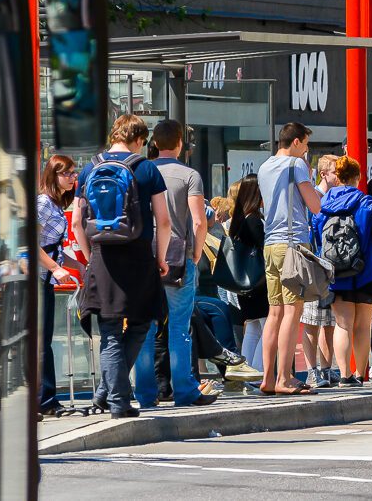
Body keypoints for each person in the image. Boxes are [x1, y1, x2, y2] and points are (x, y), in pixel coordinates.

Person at [72, 115, 171, 418]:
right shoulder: (146, 168)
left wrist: (91, 258)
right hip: (139, 255)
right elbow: (163, 221)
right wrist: (161, 257)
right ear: (140, 139)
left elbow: (76, 222)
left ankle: (107, 392)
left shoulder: (90, 168)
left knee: (110, 331)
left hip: (102, 257)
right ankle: (117, 401)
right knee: (142, 323)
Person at [134, 119, 218, 408]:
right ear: (180, 143)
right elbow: (198, 221)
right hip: (178, 258)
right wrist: (195, 255)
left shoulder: (140, 171)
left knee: (144, 328)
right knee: (179, 328)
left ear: (154, 143)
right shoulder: (189, 175)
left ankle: (145, 394)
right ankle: (184, 390)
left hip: (143, 258)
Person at [313, 156, 372, 386]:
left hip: (336, 275)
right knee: (363, 325)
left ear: (337, 177)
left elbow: (316, 238)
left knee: (342, 324)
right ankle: (360, 374)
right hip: (366, 272)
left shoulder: (323, 206)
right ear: (358, 177)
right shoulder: (367, 203)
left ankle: (344, 375)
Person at [257, 123, 322, 395]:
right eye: (305, 144)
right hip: (292, 244)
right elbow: (315, 205)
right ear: (295, 142)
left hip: (270, 244)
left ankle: (268, 378)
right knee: (293, 311)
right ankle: (284, 378)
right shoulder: (296, 165)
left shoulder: (264, 167)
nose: (307, 150)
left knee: (274, 313)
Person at [36, 154, 78, 415]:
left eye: (74, 173)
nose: (73, 178)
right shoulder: (42, 204)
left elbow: (56, 248)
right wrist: (55, 268)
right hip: (38, 280)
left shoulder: (55, 205)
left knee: (45, 340)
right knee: (42, 342)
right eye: (67, 174)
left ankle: (46, 399)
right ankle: (44, 400)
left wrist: (79, 265)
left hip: (46, 280)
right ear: (54, 176)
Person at [303, 154, 340, 388]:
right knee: (311, 321)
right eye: (336, 172)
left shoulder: (334, 197)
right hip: (314, 266)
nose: (340, 177)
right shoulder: (314, 197)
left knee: (329, 322)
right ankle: (311, 370)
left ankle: (326, 369)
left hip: (331, 267)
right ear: (324, 173)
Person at [228, 175, 270, 371]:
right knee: (268, 327)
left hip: (245, 283)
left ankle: (248, 371)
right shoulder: (254, 220)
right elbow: (264, 248)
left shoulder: (239, 220)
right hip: (259, 283)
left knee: (253, 328)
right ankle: (260, 371)